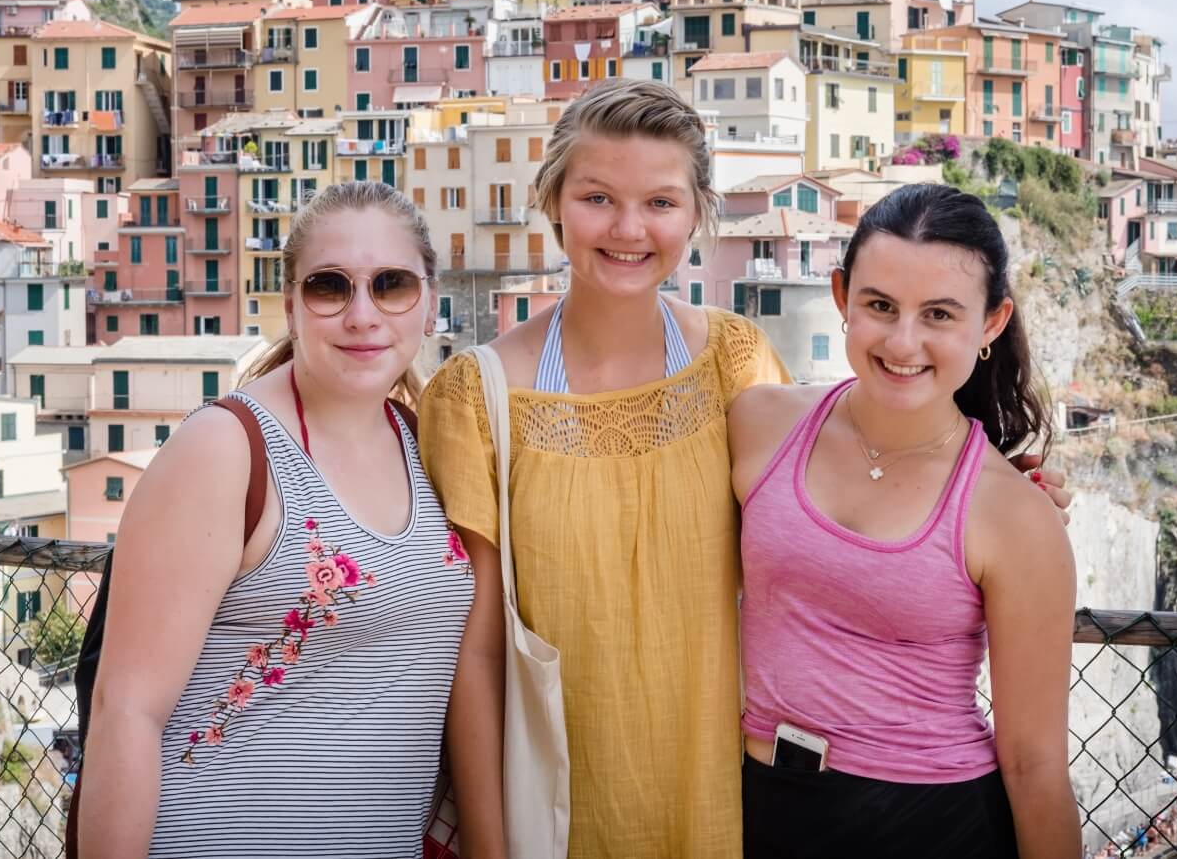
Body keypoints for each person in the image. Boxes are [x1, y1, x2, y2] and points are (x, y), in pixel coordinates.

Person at [419, 80, 1073, 857]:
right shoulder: (475, 396)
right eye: (598, 197)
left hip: (732, 803)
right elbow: (477, 650)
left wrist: (1006, 500)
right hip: (572, 800)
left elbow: (845, 478)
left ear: (697, 213)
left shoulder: (733, 367)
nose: (629, 229)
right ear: (552, 198)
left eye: (660, 202)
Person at [79, 182, 490, 858]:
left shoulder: (430, 447)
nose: (363, 314)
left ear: (429, 298)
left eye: (391, 284)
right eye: (331, 287)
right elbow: (126, 715)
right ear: (291, 306)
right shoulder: (226, 449)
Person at [732, 183, 1082, 858]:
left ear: (990, 323)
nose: (903, 341)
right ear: (841, 298)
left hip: (932, 823)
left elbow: (1035, 764)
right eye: (880, 306)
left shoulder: (1013, 514)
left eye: (939, 315)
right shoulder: (759, 424)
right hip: (757, 804)